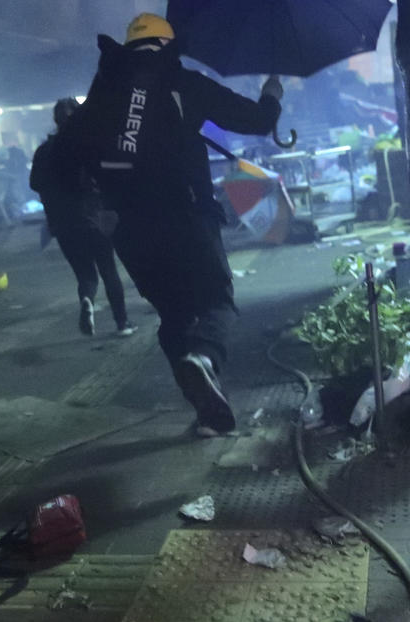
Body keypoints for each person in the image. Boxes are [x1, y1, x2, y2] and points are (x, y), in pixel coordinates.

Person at [69, 14, 284, 436]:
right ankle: (204, 359)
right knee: (217, 302)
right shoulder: (182, 83)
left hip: (130, 233)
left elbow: (65, 159)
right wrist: (273, 92)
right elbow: (257, 120)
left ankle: (206, 412)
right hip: (186, 220)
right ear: (168, 46)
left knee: (174, 316)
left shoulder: (101, 94)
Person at [30, 98, 135, 337]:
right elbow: (109, 178)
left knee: (85, 274)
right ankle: (122, 323)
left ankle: (87, 300)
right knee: (108, 270)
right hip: (93, 218)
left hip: (63, 224)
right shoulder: (88, 146)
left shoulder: (44, 151)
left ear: (55, 120)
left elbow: (35, 183)